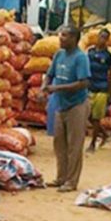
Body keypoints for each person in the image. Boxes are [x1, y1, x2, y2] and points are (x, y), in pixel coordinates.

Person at [42, 26, 90, 193]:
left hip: (77, 105)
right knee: (59, 143)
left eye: (65, 36)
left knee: (74, 145)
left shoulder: (80, 58)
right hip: (61, 104)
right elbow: (50, 74)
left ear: (75, 39)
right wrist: (45, 85)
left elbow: (83, 83)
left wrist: (57, 88)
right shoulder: (59, 55)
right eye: (60, 35)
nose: (61, 38)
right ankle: (60, 177)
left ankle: (71, 181)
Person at [85, 28, 111, 152]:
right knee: (88, 115)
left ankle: (92, 143)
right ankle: (105, 134)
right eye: (100, 36)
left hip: (101, 88)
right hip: (89, 86)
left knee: (96, 117)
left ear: (107, 40)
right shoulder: (90, 52)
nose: (101, 39)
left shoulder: (109, 56)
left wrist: (110, 93)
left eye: (104, 37)